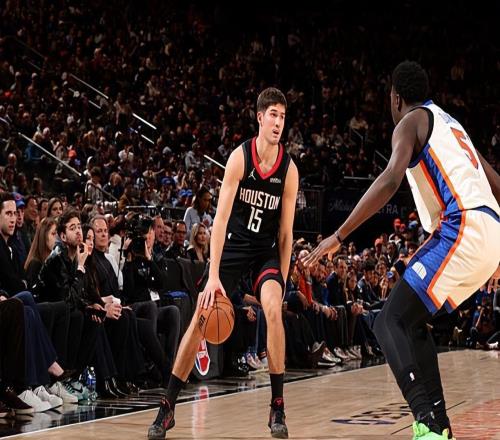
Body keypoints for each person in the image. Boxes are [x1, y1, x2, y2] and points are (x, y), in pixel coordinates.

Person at [303, 61, 500, 440]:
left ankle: (425, 421)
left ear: (396, 97)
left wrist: (339, 235)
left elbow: (390, 178)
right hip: (490, 230)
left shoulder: (411, 121)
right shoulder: (453, 126)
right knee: (411, 322)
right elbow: (496, 184)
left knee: (387, 322)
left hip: (464, 226)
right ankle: (439, 427)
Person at [148, 87, 299, 439]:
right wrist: (213, 274)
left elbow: (286, 234)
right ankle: (168, 406)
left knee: (273, 309)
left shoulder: (289, 170)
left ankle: (277, 406)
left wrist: (282, 278)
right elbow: (219, 220)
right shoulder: (239, 158)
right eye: (273, 115)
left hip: (264, 251)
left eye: (282, 116)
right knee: (201, 316)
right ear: (260, 117)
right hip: (233, 246)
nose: (278, 122)